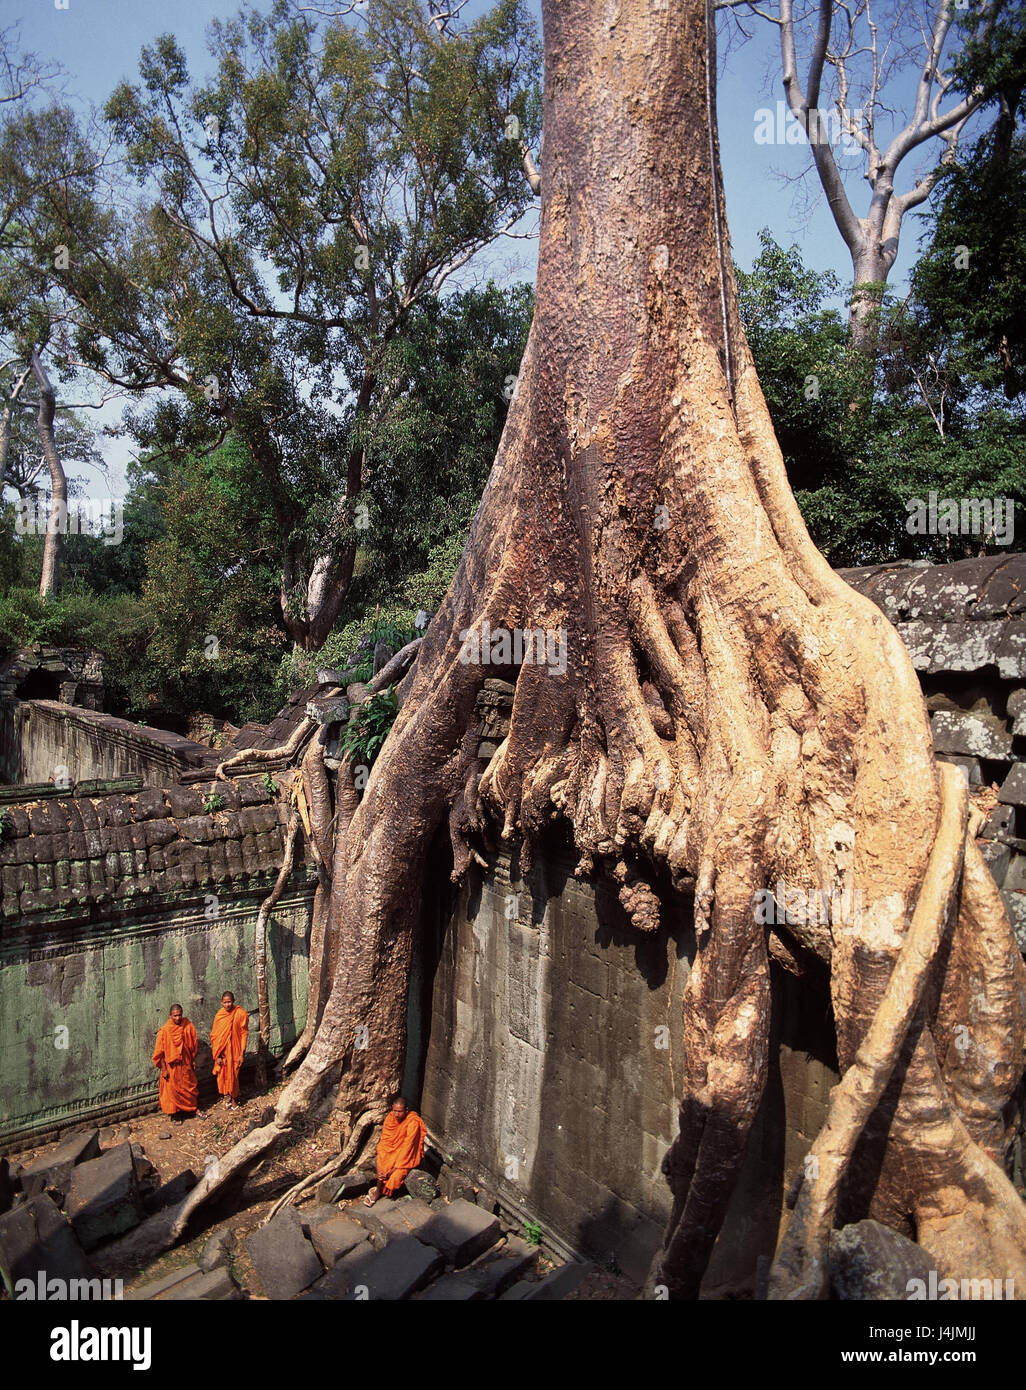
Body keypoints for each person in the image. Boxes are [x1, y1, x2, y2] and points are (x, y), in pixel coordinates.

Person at [365, 1096, 426, 1206]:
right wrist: (382, 1160)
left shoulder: (413, 1122)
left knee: (395, 1176)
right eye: (395, 1111)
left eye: (399, 1111)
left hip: (405, 1154)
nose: (396, 1114)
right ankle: (378, 1191)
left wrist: (393, 1169)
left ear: (406, 1110)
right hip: (390, 1149)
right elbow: (384, 1140)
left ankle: (378, 1191)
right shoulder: (390, 1118)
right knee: (383, 1159)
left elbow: (408, 1147)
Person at [152, 1004, 198, 1121]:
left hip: (185, 1064)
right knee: (173, 1092)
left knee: (188, 1088)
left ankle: (189, 1110)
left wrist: (192, 1061)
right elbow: (160, 1053)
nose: (178, 1018)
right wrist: (164, 1069)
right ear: (170, 1016)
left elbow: (192, 1045)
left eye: (180, 1015)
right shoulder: (165, 1031)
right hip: (171, 1067)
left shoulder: (187, 1025)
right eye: (175, 1016)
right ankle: (175, 1115)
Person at [210, 992, 249, 1110]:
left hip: (236, 1051)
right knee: (223, 1075)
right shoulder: (219, 1016)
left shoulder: (240, 1013)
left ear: (234, 1001)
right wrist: (217, 1055)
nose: (227, 1005)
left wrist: (242, 1053)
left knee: (234, 1075)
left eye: (229, 1002)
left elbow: (244, 1033)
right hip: (223, 1052)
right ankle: (227, 1096)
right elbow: (214, 1036)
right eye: (225, 1002)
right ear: (222, 1002)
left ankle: (234, 1099)